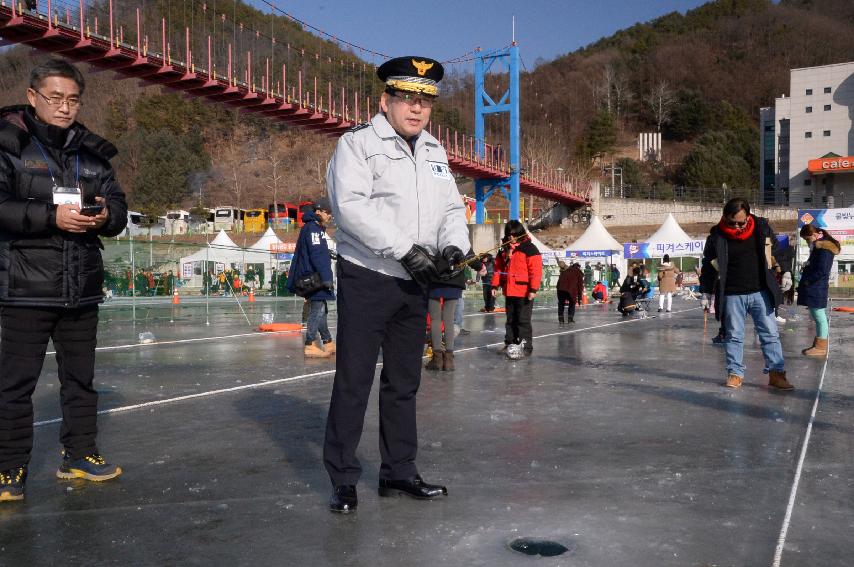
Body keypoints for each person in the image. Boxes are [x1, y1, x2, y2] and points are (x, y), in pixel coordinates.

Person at [322, 56, 470, 514]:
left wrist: (452, 248)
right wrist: (406, 249)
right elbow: (350, 208)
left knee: (404, 381)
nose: (416, 108)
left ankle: (398, 470)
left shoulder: (435, 152)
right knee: (354, 379)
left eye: (424, 100)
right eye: (406, 97)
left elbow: (450, 211)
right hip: (368, 275)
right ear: (384, 101)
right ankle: (344, 477)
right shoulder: (357, 145)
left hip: (417, 280)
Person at [0, 59, 128, 502]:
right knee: (15, 384)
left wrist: (108, 216)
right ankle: (8, 469)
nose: (64, 107)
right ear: (33, 97)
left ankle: (80, 454)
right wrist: (51, 216)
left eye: (72, 99)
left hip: (82, 286)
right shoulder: (7, 145)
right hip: (25, 287)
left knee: (81, 380)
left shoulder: (92, 153)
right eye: (55, 97)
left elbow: (119, 208)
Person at [700, 198, 791, 390]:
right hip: (732, 293)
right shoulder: (717, 236)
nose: (737, 226)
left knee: (770, 334)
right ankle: (735, 373)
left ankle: (777, 374)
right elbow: (708, 266)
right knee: (733, 336)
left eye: (741, 222)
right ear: (725, 217)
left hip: (760, 291)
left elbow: (778, 251)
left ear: (748, 216)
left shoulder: (761, 227)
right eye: (732, 222)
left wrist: (786, 270)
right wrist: (706, 292)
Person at [286, 199, 336, 358]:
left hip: (313, 274)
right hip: (314, 276)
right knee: (318, 309)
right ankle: (310, 344)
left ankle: (328, 342)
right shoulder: (313, 228)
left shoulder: (314, 227)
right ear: (319, 211)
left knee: (322, 309)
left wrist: (328, 253)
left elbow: (315, 251)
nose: (329, 216)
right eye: (328, 212)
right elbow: (316, 254)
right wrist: (327, 276)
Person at [492, 220, 542, 355]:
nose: (511, 237)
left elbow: (536, 271)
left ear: (519, 234)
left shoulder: (530, 248)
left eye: (514, 235)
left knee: (523, 320)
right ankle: (510, 343)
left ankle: (526, 346)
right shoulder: (504, 249)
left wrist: (533, 289)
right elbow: (498, 269)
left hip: (524, 291)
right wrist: (495, 285)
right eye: (509, 235)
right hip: (509, 290)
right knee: (510, 320)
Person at [796, 224, 840, 358]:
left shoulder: (824, 249)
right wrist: (807, 266)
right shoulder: (819, 247)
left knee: (819, 316)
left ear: (815, 235)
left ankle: (821, 347)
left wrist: (809, 281)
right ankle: (818, 344)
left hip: (817, 287)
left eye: (807, 239)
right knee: (817, 315)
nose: (807, 241)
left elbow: (822, 270)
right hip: (816, 286)